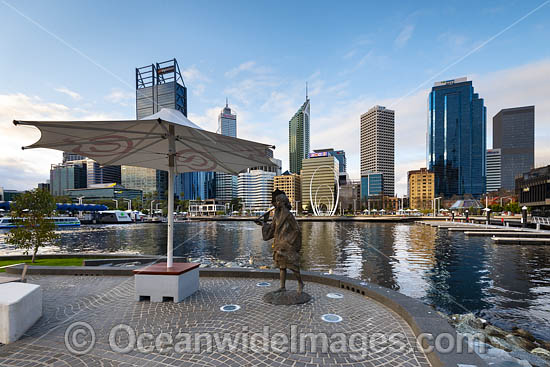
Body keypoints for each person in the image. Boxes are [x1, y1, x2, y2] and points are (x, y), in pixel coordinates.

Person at [256, 189, 304, 294]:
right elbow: (272, 229)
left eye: (277, 201)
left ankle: (300, 283)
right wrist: (263, 223)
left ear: (282, 202)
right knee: (282, 266)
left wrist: (289, 242)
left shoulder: (289, 215)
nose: (275, 203)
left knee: (294, 266)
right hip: (278, 244)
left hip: (287, 245)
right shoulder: (276, 215)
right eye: (275, 201)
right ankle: (282, 286)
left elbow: (297, 230)